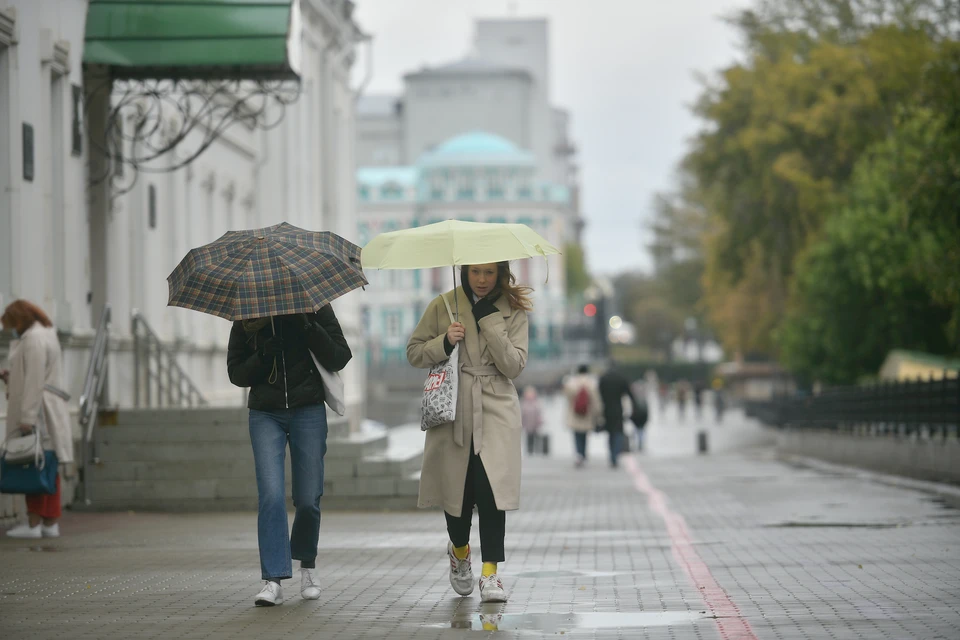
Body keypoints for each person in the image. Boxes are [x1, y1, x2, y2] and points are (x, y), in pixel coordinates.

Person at [407, 261, 530, 603]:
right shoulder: (444, 305)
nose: (481, 279)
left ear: (500, 274)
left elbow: (515, 365)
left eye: (489, 272)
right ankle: (459, 551)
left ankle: (490, 575)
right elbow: (414, 352)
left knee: (492, 493)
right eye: (475, 271)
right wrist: (445, 342)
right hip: (454, 406)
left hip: (496, 406)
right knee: (456, 492)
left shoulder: (513, 311)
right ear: (464, 272)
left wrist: (490, 321)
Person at [227, 306, 351, 607]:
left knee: (308, 498)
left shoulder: (315, 306)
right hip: (264, 414)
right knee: (270, 495)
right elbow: (236, 373)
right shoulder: (248, 313)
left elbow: (340, 355)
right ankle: (273, 579)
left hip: (307, 409)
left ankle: (307, 565)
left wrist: (308, 327)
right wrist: (264, 355)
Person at [1, 300, 73, 539]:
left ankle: (33, 524)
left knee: (30, 465)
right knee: (48, 466)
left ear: (19, 320)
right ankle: (50, 523)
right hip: (48, 408)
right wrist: (10, 375)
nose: (10, 329)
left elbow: (33, 380)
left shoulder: (32, 339)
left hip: (38, 410)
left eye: (10, 324)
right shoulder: (46, 334)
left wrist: (27, 417)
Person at [598, 367, 643, 467]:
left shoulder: (603, 379)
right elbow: (630, 394)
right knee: (618, 432)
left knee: (610, 433)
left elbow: (598, 394)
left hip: (606, 410)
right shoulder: (621, 379)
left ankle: (612, 456)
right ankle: (615, 454)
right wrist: (635, 407)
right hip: (618, 410)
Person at [563, 364, 602, 468]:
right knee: (585, 435)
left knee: (576, 434)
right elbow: (595, 400)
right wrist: (598, 412)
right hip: (587, 413)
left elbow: (567, 397)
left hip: (574, 413)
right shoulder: (591, 383)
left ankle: (578, 454)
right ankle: (583, 454)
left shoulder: (571, 382)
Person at [520, 386, 544, 455]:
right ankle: (530, 450)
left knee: (536, 437)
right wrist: (522, 423)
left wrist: (540, 421)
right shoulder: (524, 403)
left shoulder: (536, 403)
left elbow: (539, 413)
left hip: (535, 424)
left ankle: (537, 449)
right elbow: (522, 415)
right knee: (529, 437)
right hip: (528, 424)